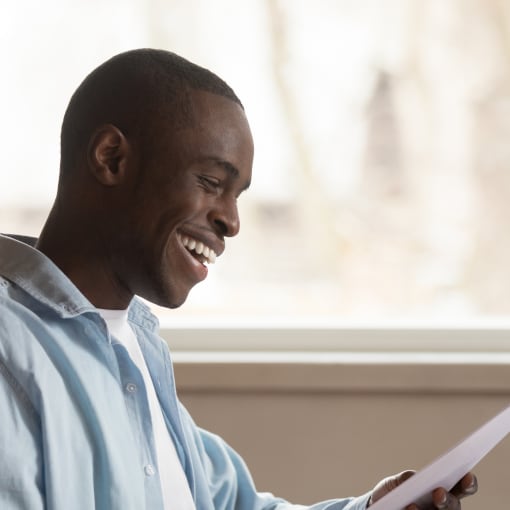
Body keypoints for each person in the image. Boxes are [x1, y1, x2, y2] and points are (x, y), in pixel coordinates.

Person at [0, 49, 477, 510]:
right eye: (210, 182)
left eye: (238, 195)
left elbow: (232, 503)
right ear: (111, 158)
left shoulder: (135, 346)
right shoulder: (12, 348)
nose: (231, 221)